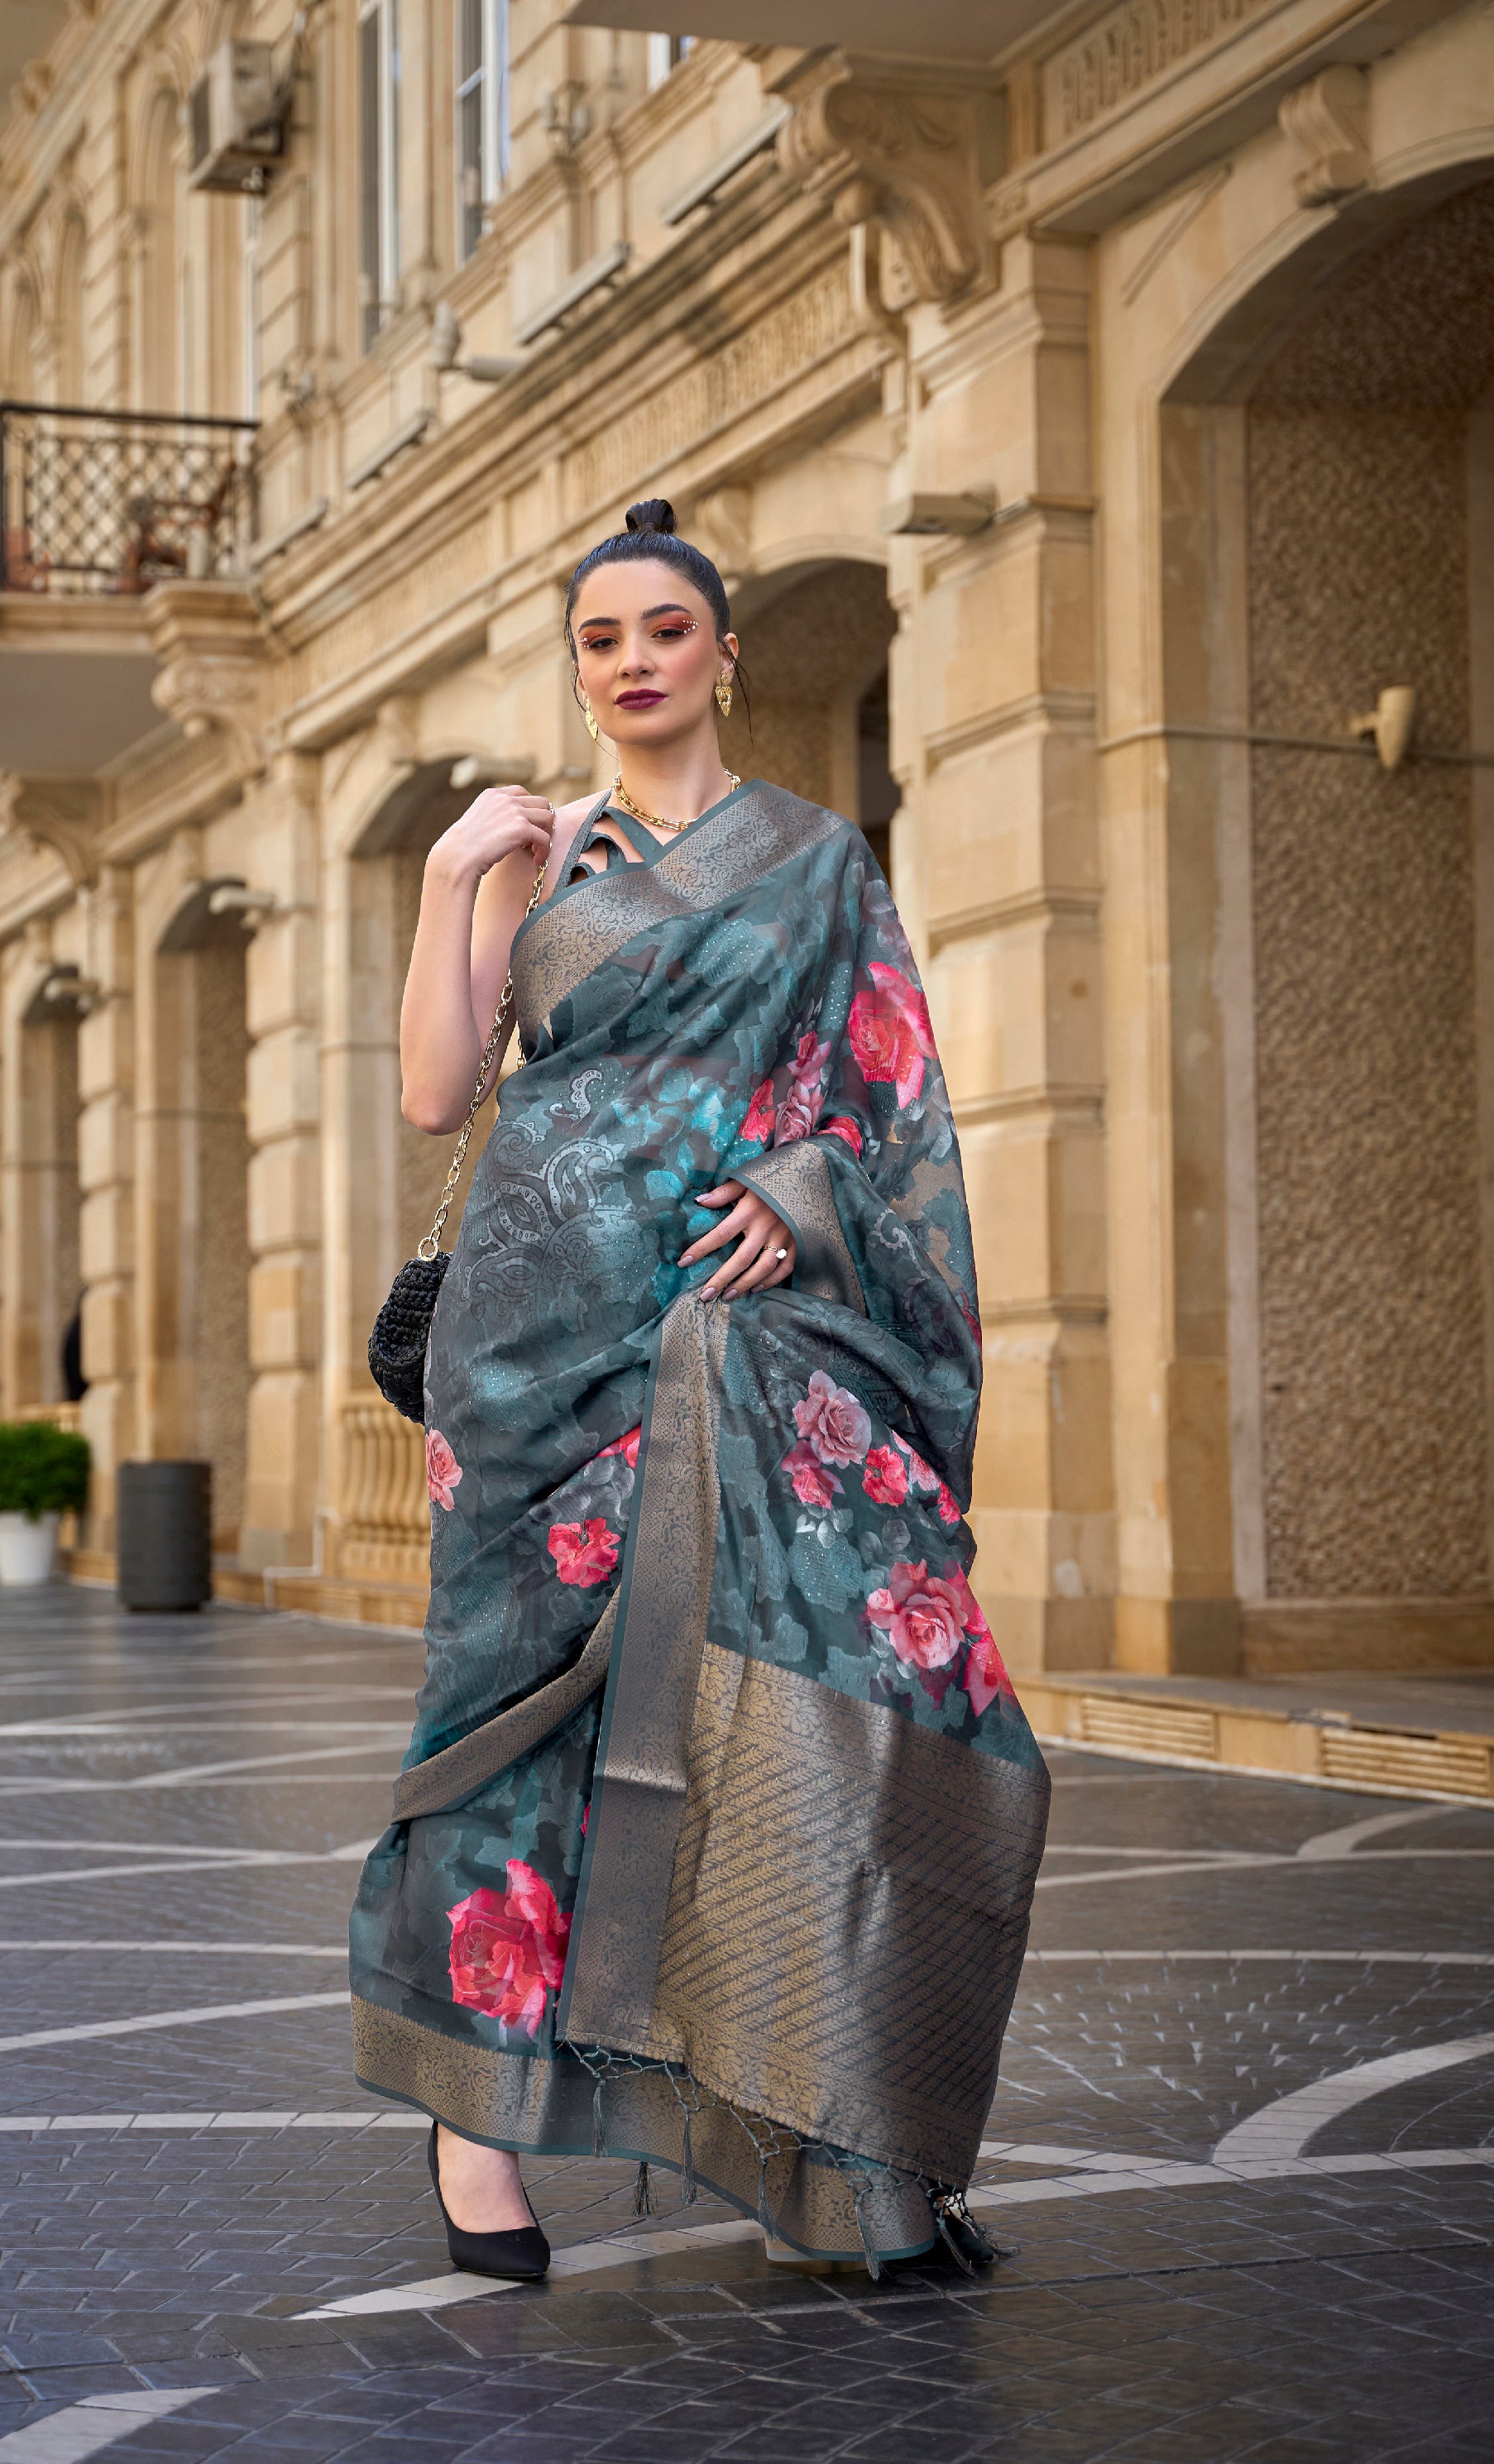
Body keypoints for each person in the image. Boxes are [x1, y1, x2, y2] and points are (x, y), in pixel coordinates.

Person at [349, 500, 1050, 2280]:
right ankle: (474, 2128)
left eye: (666, 627)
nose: (634, 659)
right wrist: (450, 878)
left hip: (762, 1337)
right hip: (535, 1349)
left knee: (881, 1684)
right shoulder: (535, 852)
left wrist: (802, 1191)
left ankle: (839, 2138)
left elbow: (889, 1102)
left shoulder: (817, 863)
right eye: (601, 637)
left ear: (725, 651)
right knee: (527, 1733)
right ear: (578, 665)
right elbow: (442, 1096)